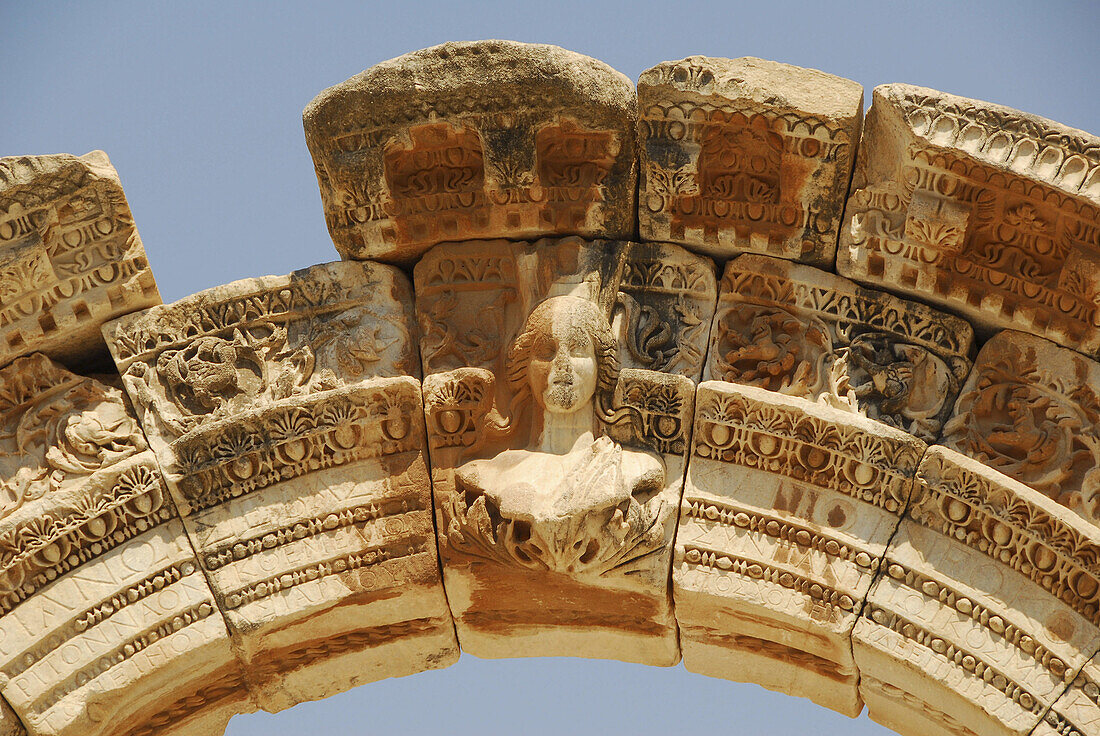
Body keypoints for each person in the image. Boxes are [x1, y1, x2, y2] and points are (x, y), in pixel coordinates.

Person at [453, 295, 665, 575]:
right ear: (523, 368)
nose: (561, 364)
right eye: (546, 352)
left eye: (578, 351)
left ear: (602, 367)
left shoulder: (636, 468)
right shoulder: (487, 473)